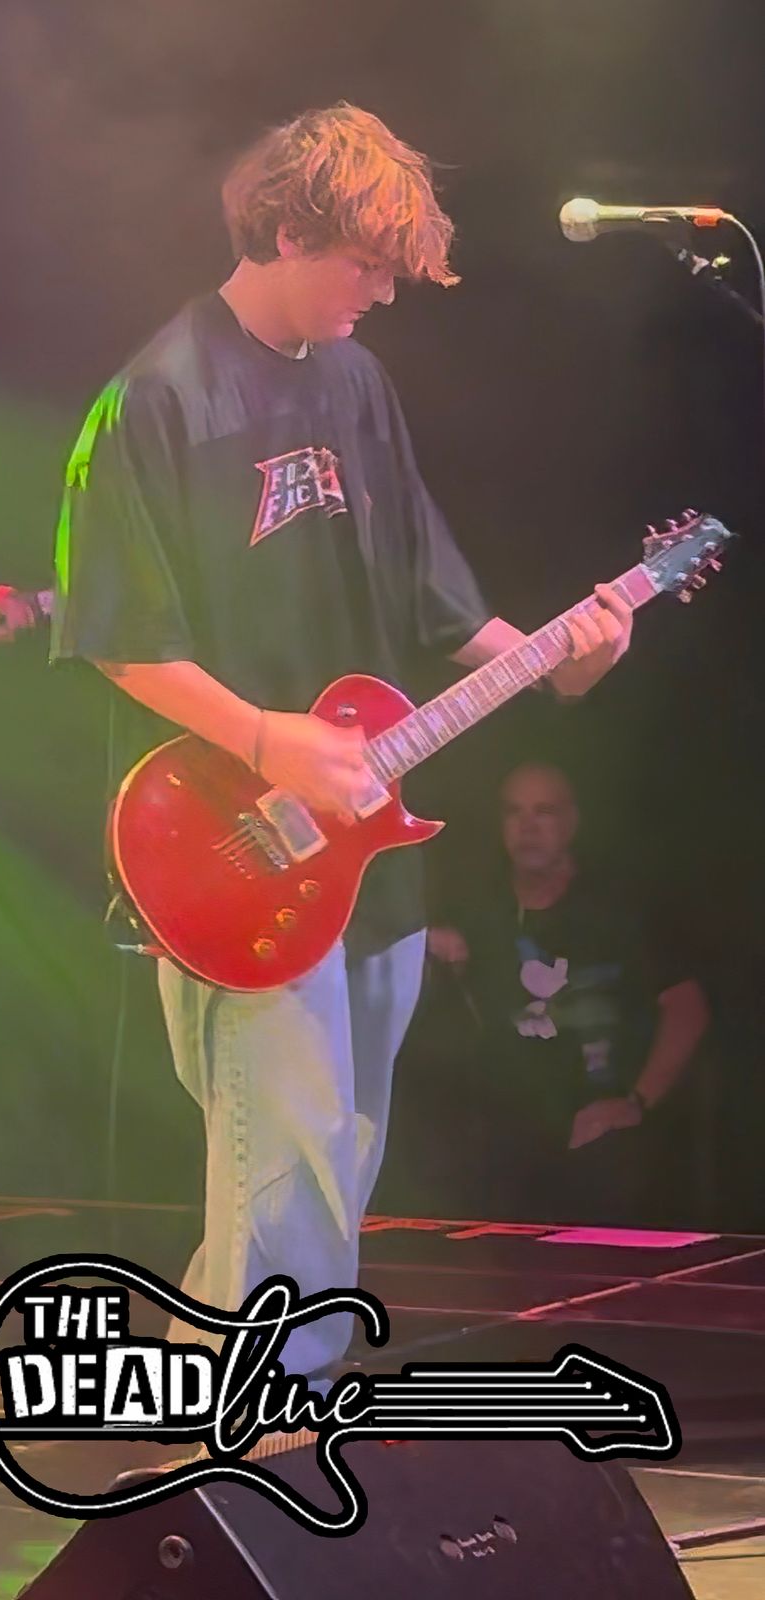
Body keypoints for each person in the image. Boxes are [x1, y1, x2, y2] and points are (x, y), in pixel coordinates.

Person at [48, 104, 631, 1385]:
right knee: (287, 1158)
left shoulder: (357, 383)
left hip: (367, 843)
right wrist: (268, 739)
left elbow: (429, 594)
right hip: (237, 845)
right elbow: (114, 636)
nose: (384, 291)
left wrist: (554, 654)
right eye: (366, 263)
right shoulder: (158, 397)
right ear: (288, 232)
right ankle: (268, 1420)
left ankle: (224, 1398)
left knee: (335, 1151)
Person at [428, 762, 710, 1224]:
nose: (528, 828)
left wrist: (636, 1102)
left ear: (571, 821)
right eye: (514, 812)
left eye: (544, 812)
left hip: (605, 1145)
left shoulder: (618, 908)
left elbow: (687, 1008)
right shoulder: (478, 908)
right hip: (504, 1153)